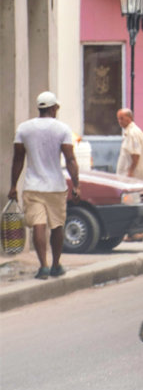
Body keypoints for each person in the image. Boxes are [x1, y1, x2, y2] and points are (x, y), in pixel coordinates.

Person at [9, 92, 80, 280]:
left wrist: (13, 186)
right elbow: (70, 158)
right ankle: (56, 265)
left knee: (38, 226)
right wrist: (76, 184)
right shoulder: (62, 129)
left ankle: (44, 266)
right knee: (57, 226)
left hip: (32, 186)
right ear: (52, 108)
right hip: (56, 186)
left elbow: (18, 159)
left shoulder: (24, 128)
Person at [116, 108, 143, 179]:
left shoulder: (133, 133)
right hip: (127, 177)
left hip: (130, 177)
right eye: (118, 119)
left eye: (122, 118)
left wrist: (130, 171)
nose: (120, 121)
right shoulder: (129, 132)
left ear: (129, 118)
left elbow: (136, 154)